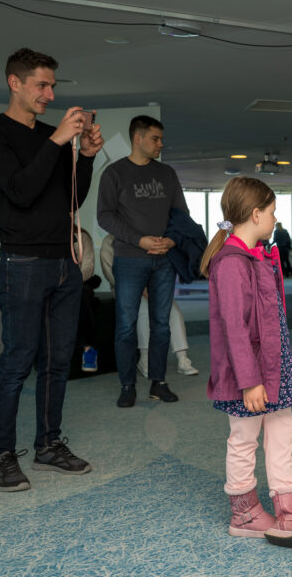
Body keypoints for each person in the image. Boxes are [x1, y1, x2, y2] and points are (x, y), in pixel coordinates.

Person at [0, 47, 103, 491]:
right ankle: (1, 454)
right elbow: (21, 191)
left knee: (57, 362)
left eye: (52, 85)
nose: (50, 94)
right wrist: (57, 142)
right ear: (15, 83)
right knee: (16, 362)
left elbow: (71, 197)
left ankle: (49, 444)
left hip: (64, 262)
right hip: (22, 263)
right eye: (41, 85)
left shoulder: (54, 136)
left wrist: (85, 156)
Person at [201, 176, 292, 551]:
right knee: (244, 438)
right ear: (255, 214)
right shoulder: (231, 263)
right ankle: (244, 514)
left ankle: (288, 510)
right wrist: (250, 381)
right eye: (272, 212)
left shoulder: (255, 255)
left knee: (282, 431)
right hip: (248, 375)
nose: (275, 219)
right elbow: (234, 330)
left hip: (271, 367)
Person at [97, 115, 189, 407]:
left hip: (164, 260)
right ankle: (127, 385)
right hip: (129, 260)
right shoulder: (114, 173)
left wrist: (171, 240)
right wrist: (140, 240)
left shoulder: (167, 173)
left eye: (161, 139)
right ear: (138, 139)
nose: (160, 144)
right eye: (155, 139)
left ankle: (158, 382)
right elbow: (105, 216)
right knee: (126, 325)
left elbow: (181, 214)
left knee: (161, 324)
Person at [99, 235, 199, 377]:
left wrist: (154, 287)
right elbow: (110, 273)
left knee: (173, 311)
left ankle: (182, 358)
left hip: (152, 287)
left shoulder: (145, 236)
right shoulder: (109, 242)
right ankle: (144, 358)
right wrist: (140, 288)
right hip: (125, 289)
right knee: (143, 310)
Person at [76, 228, 102, 373]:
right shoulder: (46, 233)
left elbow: (88, 267)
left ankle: (89, 350)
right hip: (54, 283)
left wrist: (72, 281)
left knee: (85, 295)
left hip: (78, 282)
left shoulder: (82, 237)